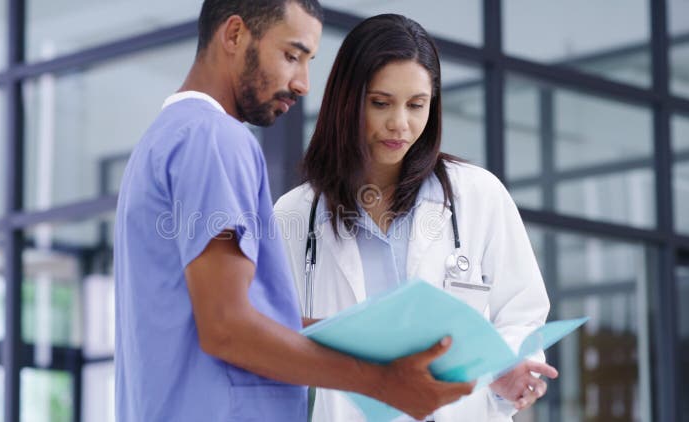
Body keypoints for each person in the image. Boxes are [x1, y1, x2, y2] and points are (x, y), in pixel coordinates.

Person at [114, 2, 474, 421]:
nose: (303, 83)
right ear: (234, 36)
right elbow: (227, 328)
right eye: (291, 55)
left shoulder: (165, 139)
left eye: (308, 62)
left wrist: (368, 339)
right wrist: (380, 381)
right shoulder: (215, 139)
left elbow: (224, 316)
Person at [274, 14, 558, 421]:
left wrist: (506, 371)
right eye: (380, 103)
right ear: (346, 101)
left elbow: (521, 313)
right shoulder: (295, 216)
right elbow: (273, 342)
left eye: (416, 105)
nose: (400, 124)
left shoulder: (478, 196)